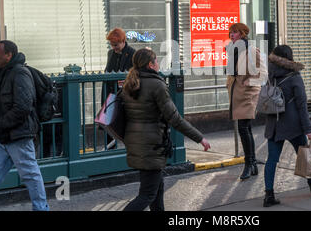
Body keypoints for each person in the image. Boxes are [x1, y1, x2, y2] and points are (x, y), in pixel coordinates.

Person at [121, 48, 210, 211]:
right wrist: (199, 138)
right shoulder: (156, 84)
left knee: (157, 190)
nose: (158, 64)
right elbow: (175, 118)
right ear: (150, 64)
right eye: (156, 61)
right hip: (152, 144)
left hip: (137, 142)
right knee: (147, 195)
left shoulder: (130, 83)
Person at [262, 45, 311, 207]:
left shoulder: (270, 75)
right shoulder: (294, 76)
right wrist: (308, 129)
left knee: (271, 160)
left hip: (273, 124)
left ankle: (268, 195)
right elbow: (301, 105)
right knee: (307, 154)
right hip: (292, 125)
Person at [0, 40, 49, 211]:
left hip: (18, 137)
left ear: (9, 55)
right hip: (3, 137)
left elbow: (23, 107)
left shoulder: (20, 74)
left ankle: (41, 208)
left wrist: (1, 123)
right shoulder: (4, 73)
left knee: (30, 175)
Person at [226, 23, 267, 180]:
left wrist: (249, 82)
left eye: (235, 32)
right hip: (236, 93)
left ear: (242, 34)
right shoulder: (232, 50)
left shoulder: (251, 50)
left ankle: (249, 163)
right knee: (245, 128)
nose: (232, 35)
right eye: (230, 32)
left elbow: (262, 73)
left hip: (248, 94)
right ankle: (253, 164)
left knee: (243, 127)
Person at [102, 28, 136, 148]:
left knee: (124, 124)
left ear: (123, 41)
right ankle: (110, 150)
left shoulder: (132, 53)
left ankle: (128, 149)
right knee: (108, 123)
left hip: (124, 95)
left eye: (115, 45)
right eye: (111, 44)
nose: (113, 47)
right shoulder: (110, 53)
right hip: (111, 94)